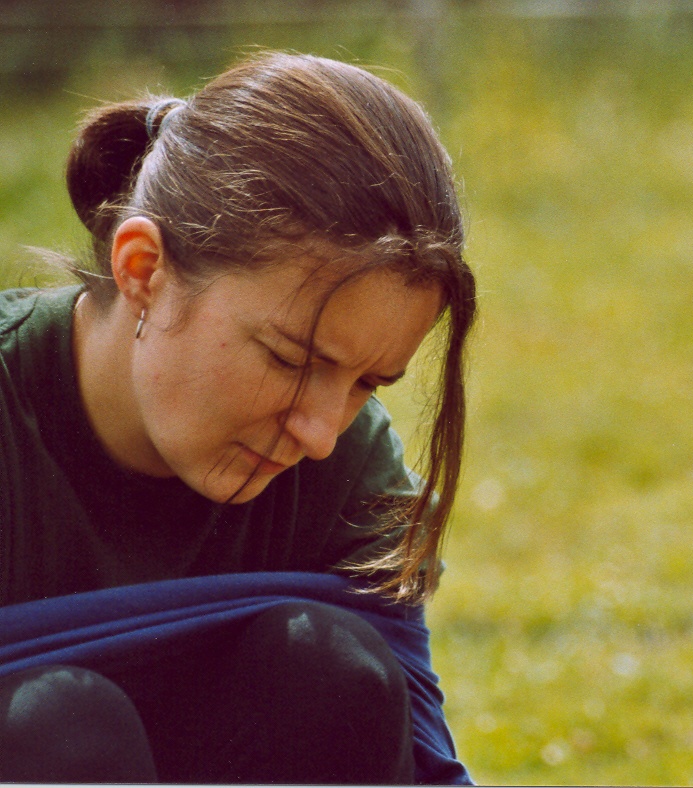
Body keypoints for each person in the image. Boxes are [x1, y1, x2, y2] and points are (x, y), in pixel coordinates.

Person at [0, 51, 476, 783]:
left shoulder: (348, 467)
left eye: (367, 384)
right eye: (290, 359)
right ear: (142, 269)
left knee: (333, 669)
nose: (320, 435)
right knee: (62, 722)